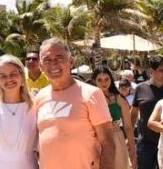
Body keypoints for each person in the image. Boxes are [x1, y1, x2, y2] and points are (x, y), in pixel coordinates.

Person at [33, 38, 116, 169]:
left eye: (59, 58)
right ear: (41, 66)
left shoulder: (91, 94)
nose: (53, 64)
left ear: (71, 61)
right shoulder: (39, 98)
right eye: (47, 60)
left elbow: (108, 143)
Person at [0, 55, 37, 169]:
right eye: (3, 76)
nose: (9, 79)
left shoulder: (35, 106)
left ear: (22, 76)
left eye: (13, 74)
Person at [91, 67, 136, 168]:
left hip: (116, 139)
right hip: (95, 140)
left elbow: (128, 127)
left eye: (106, 79)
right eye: (100, 80)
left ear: (111, 79)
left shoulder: (118, 98)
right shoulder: (89, 99)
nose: (104, 82)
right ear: (94, 81)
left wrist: (132, 150)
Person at [131, 56, 163, 169]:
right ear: (151, 71)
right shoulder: (140, 88)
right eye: (162, 70)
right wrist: (128, 136)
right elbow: (134, 113)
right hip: (145, 143)